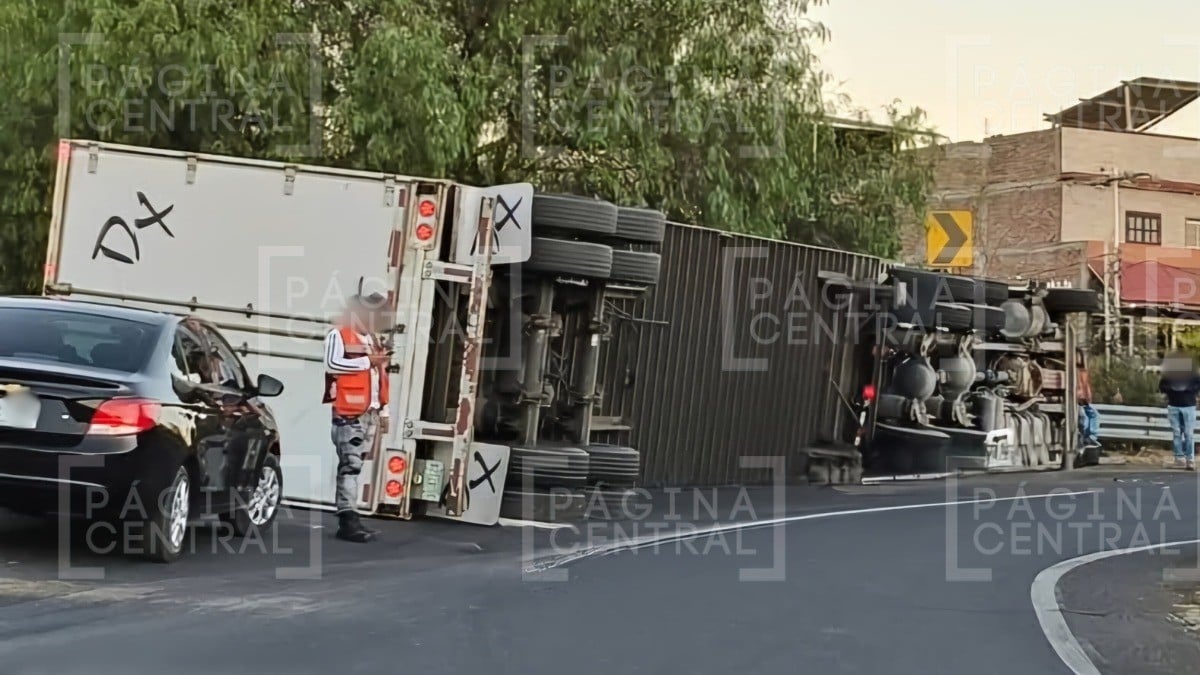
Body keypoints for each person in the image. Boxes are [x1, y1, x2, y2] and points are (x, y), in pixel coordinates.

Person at [324, 293, 392, 542]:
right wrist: (368, 362)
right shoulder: (339, 334)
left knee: (356, 466)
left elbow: (381, 378)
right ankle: (347, 519)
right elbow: (332, 364)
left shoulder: (372, 339)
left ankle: (352, 517)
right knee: (350, 466)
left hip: (369, 411)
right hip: (349, 412)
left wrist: (384, 409)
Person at [1158, 351, 1200, 471]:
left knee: (1188, 434)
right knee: (1177, 433)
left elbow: (1198, 386)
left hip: (1188, 406)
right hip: (1173, 405)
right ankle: (1179, 459)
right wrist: (1171, 390)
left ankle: (1190, 460)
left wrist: (1188, 390)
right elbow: (1161, 386)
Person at [1076, 350, 1100, 451]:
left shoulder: (1081, 372)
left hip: (1082, 400)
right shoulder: (1077, 372)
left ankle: (1090, 438)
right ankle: (1085, 438)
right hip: (1078, 400)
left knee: (1093, 414)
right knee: (1084, 417)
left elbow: (1085, 387)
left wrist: (1086, 398)